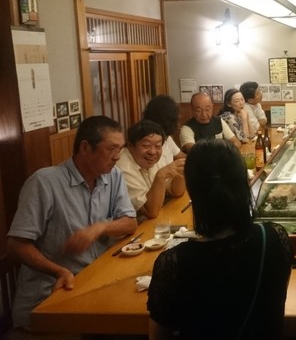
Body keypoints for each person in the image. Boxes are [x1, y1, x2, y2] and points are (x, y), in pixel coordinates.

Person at [147, 138, 293, 339]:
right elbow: (275, 299)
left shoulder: (172, 263)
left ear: (192, 191)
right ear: (244, 182)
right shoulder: (276, 237)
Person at [7, 116, 137, 329]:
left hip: (92, 283)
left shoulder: (113, 176)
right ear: (85, 147)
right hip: (50, 296)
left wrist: (99, 228)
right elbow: (16, 245)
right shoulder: (44, 182)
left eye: (120, 149)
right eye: (111, 149)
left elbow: (130, 223)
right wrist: (59, 271)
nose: (117, 156)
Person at [117, 119, 186, 219]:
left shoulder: (155, 157)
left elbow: (176, 191)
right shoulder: (122, 167)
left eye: (158, 146)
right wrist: (160, 176)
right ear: (130, 146)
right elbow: (150, 211)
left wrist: (181, 171)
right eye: (146, 146)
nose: (153, 152)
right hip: (132, 224)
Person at [143, 94, 186, 163]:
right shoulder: (147, 142)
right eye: (177, 116)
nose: (180, 117)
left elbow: (182, 156)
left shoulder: (167, 138)